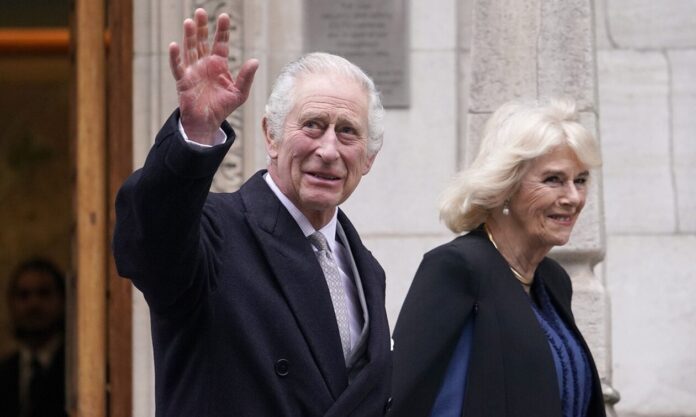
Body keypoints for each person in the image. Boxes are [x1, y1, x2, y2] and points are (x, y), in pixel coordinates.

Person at [112, 8, 392, 417]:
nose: (329, 150)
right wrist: (196, 136)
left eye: (347, 131)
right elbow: (147, 241)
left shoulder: (366, 269)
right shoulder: (213, 234)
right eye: (313, 125)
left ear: (368, 158)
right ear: (271, 136)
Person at [390, 98, 607, 417]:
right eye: (554, 180)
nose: (573, 197)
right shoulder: (457, 268)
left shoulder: (553, 280)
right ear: (506, 185)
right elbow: (417, 399)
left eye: (581, 180)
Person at [0, 258, 67, 417]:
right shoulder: (3, 373)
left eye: (44, 293)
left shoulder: (78, 371)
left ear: (62, 300)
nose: (33, 304)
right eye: (24, 295)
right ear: (11, 303)